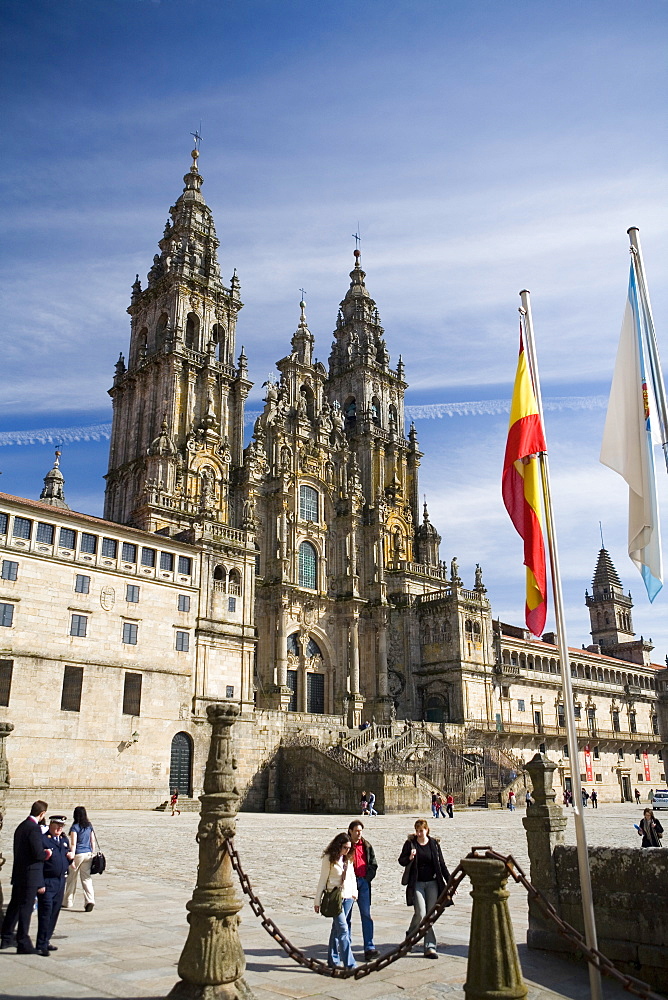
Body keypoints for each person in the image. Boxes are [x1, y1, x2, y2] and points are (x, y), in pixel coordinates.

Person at [0, 800, 49, 954]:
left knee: (14, 907)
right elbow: (37, 853)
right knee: (26, 908)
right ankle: (23, 942)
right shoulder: (33, 829)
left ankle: (6, 937)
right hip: (30, 875)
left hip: (19, 873)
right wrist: (47, 853)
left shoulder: (21, 826)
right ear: (42, 814)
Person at [398, 819, 450, 959]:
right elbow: (401, 860)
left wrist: (449, 882)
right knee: (420, 913)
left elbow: (441, 865)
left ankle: (430, 946)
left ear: (427, 830)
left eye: (422, 830)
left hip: (432, 883)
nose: (419, 833)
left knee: (430, 914)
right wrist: (410, 857)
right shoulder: (411, 844)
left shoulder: (433, 844)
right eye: (417, 830)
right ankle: (411, 935)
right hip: (417, 883)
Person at [314, 832, 357, 969]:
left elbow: (352, 877)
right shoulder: (329, 859)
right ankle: (350, 964)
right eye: (345, 847)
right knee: (343, 930)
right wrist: (317, 900)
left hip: (348, 897)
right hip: (334, 898)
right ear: (338, 846)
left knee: (336, 929)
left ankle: (333, 960)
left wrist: (354, 893)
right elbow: (322, 880)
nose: (347, 850)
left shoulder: (348, 858)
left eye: (349, 848)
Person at [36, 815, 71, 957]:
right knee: (45, 913)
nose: (59, 828)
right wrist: (40, 883)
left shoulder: (63, 840)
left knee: (54, 913)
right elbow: (38, 864)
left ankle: (47, 939)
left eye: (61, 826)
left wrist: (70, 859)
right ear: (50, 825)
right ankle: (41, 944)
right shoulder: (44, 840)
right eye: (57, 825)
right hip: (48, 881)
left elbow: (64, 860)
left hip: (60, 881)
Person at [347, 821, 379, 961]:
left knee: (366, 915)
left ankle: (369, 947)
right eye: (356, 831)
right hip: (348, 885)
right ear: (350, 831)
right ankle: (345, 947)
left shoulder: (366, 845)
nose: (359, 833)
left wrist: (367, 878)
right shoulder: (345, 846)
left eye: (361, 831)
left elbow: (373, 863)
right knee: (346, 917)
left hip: (363, 883)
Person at [63, 806, 96, 912]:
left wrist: (71, 857)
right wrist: (92, 852)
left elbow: (73, 843)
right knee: (86, 878)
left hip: (78, 854)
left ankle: (68, 901)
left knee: (71, 878)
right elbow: (93, 841)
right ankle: (90, 900)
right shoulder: (89, 826)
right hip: (88, 854)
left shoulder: (75, 827)